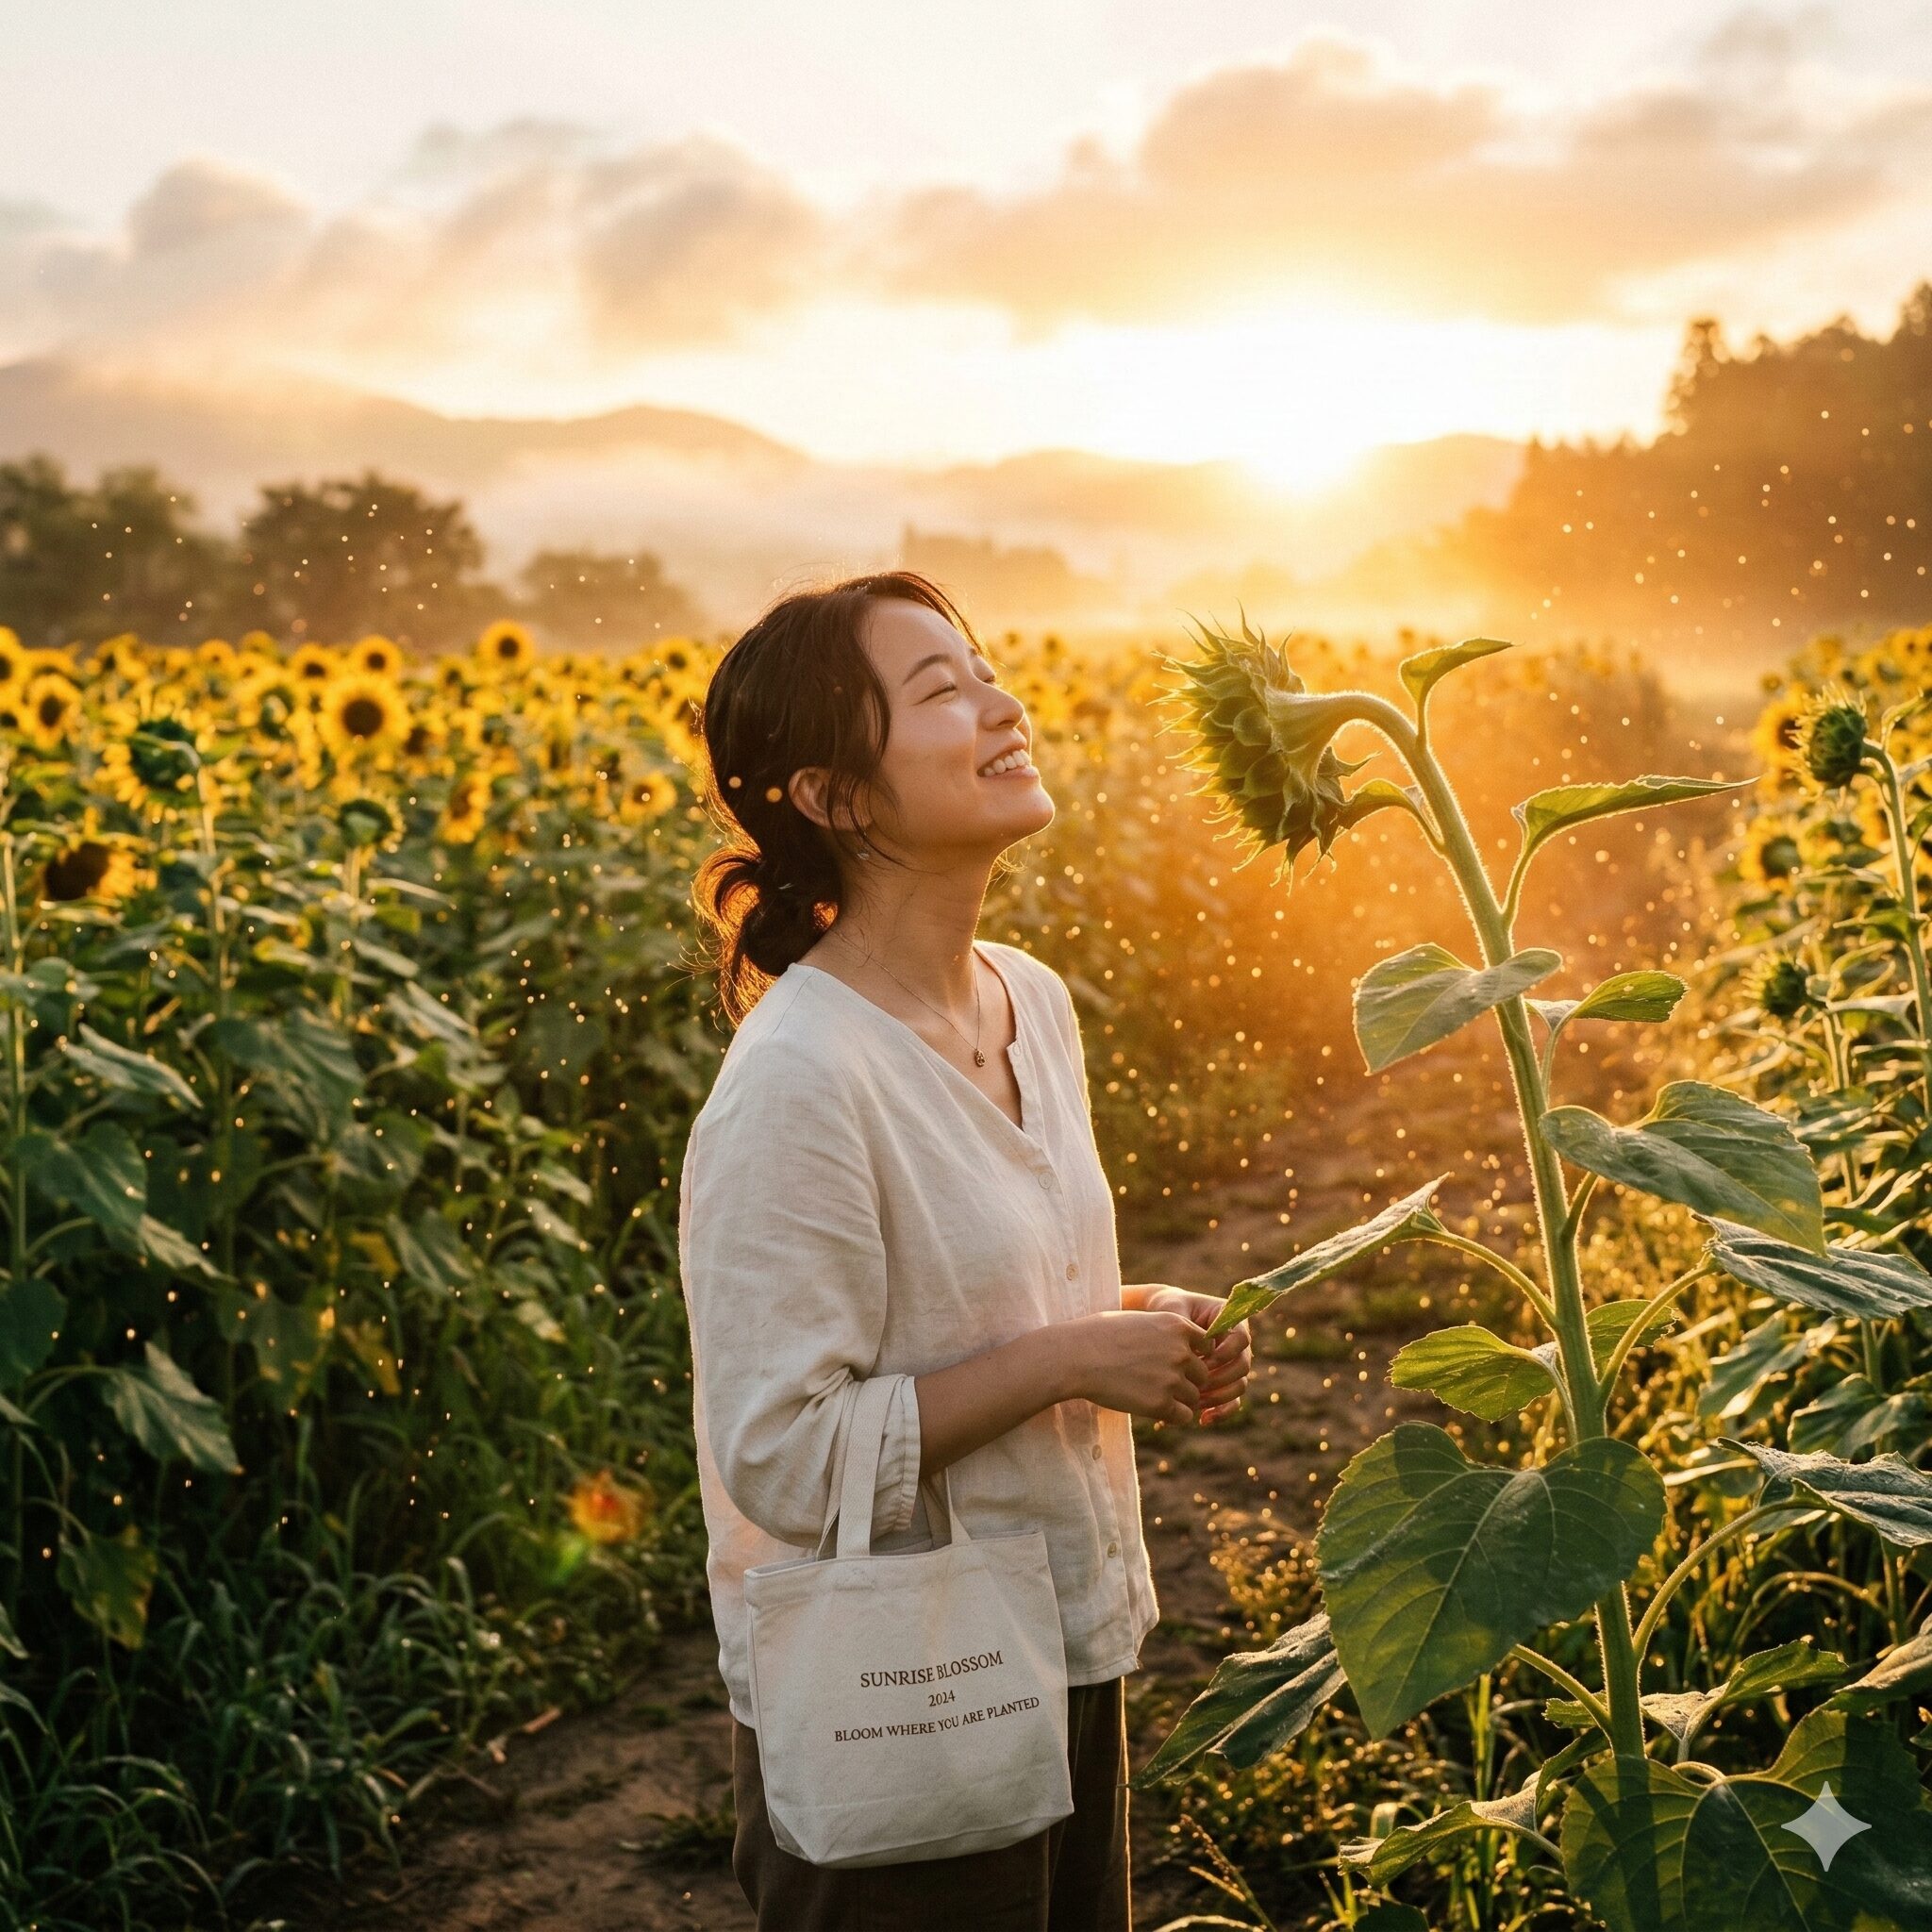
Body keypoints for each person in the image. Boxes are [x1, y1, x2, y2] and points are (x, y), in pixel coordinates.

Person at [678, 570, 1254, 1931]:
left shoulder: (1031, 1002)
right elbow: (785, 1454)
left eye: (987, 667)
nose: (1005, 703)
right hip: (899, 1693)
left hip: (1062, 1646)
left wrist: (1136, 1324)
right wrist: (1068, 1359)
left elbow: (973, 1310)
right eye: (941, 689)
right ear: (834, 797)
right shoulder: (802, 1077)